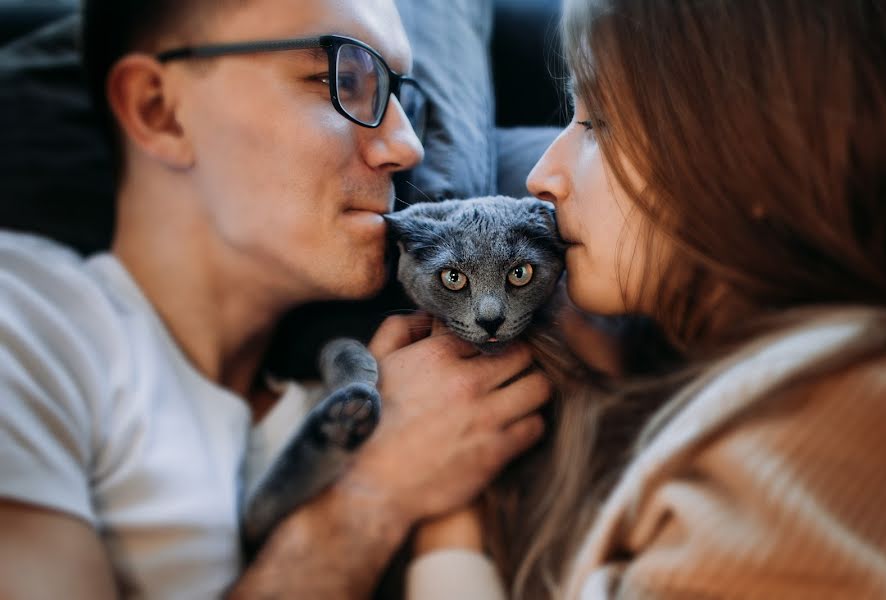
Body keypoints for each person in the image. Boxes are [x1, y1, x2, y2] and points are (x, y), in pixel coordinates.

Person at [0, 0, 553, 598]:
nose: (407, 146)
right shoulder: (27, 322)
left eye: (400, 96)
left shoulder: (384, 389)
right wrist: (373, 496)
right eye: (343, 80)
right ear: (160, 111)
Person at [405, 0, 886, 598]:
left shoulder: (828, 430)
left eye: (598, 125)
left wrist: (440, 516)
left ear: (746, 156)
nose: (540, 175)